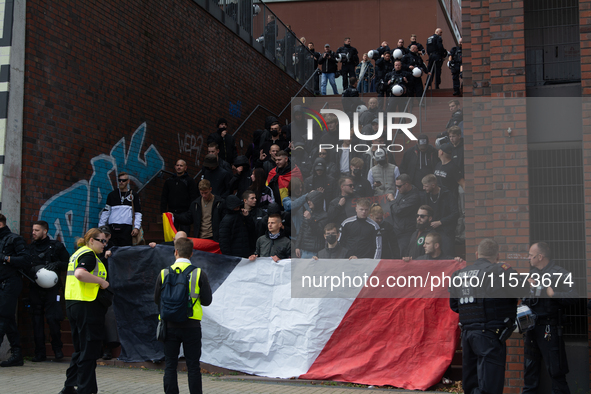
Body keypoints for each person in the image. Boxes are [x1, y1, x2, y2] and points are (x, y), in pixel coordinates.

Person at [449, 238, 526, 394]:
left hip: (468, 334)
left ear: (477, 254)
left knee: (471, 383)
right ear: (497, 256)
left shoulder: (459, 274)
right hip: (490, 335)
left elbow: (454, 306)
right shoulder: (501, 270)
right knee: (490, 384)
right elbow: (522, 291)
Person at [154, 237, 212, 394]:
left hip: (169, 325)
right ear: (192, 253)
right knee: (193, 365)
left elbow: (156, 299)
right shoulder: (199, 273)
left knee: (170, 365)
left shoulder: (164, 273)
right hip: (191, 325)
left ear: (175, 252)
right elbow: (207, 301)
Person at [59, 228, 110, 394]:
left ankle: (69, 387)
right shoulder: (88, 255)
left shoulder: (78, 253)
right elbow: (81, 274)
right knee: (89, 351)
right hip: (88, 306)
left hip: (74, 304)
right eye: (101, 241)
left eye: (105, 241)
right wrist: (102, 282)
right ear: (91, 240)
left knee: (80, 350)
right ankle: (86, 390)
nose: (104, 244)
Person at [522, 242, 576, 394]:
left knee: (556, 370)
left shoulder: (560, 274)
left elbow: (575, 296)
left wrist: (554, 294)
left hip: (549, 328)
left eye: (531, 256)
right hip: (531, 328)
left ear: (540, 257)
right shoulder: (531, 274)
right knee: (530, 369)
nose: (528, 258)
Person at [28, 220, 70, 362]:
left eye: (37, 230)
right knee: (36, 320)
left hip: (52, 290)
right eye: (33, 230)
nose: (33, 233)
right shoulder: (31, 248)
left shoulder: (56, 246)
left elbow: (69, 264)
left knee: (53, 319)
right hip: (35, 288)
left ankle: (57, 350)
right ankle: (39, 353)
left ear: (45, 231)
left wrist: (57, 264)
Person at [0, 214, 30, 368]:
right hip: (2, 282)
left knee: (2, 317)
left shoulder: (14, 239)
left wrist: (5, 258)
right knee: (8, 319)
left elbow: (26, 259)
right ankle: (17, 354)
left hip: (10, 283)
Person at [98, 172, 141, 247]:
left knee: (125, 252)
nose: (121, 182)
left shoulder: (134, 195)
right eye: (119, 180)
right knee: (111, 250)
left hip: (127, 229)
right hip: (113, 228)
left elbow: (138, 213)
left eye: (124, 180)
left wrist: (137, 227)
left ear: (128, 181)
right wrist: (101, 227)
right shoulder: (112, 195)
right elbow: (106, 212)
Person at [421, 174, 458, 257]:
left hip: (446, 230)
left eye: (426, 186)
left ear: (433, 185)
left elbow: (455, 213)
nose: (424, 188)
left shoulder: (447, 194)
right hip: (431, 229)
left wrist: (441, 222)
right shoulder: (426, 195)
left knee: (447, 252)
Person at [160, 160, 198, 234]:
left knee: (184, 236)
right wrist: (163, 211)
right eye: (177, 165)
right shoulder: (169, 181)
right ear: (175, 167)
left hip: (185, 213)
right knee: (171, 237)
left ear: (185, 168)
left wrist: (190, 212)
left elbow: (193, 197)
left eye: (181, 165)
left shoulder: (190, 181)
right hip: (171, 213)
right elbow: (164, 197)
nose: (179, 167)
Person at [387, 174, 422, 255]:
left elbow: (398, 211)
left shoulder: (414, 197)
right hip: (396, 229)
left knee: (403, 253)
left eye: (399, 186)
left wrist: (392, 201)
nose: (397, 189)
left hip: (406, 231)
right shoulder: (402, 191)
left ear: (406, 184)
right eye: (396, 186)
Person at [294, 190, 328, 259]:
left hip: (314, 252)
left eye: (310, 200)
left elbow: (319, 232)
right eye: (308, 200)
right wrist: (297, 246)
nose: (308, 202)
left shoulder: (324, 216)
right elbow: (302, 231)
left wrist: (310, 219)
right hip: (303, 250)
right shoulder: (309, 213)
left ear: (317, 201)